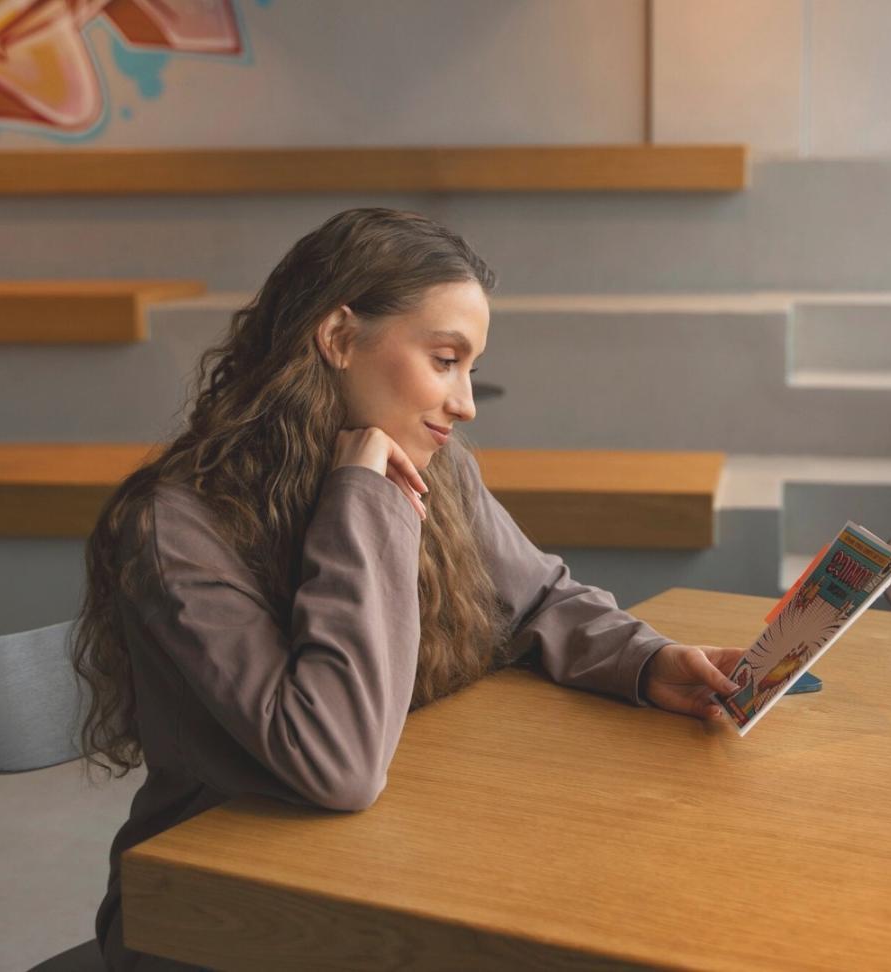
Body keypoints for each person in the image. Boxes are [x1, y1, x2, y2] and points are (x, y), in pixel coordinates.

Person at [73, 208, 745, 970]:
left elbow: (540, 598)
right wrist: (359, 498)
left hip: (382, 870)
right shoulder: (175, 525)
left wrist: (649, 664)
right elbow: (337, 764)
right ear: (337, 339)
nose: (464, 402)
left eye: (468, 366)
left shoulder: (437, 468)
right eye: (444, 359)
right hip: (212, 918)